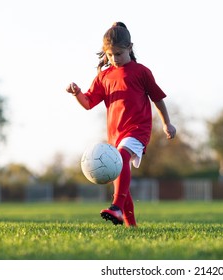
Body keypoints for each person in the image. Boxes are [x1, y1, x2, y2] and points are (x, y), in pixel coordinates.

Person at [66, 22, 176, 227]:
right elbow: (88, 103)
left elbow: (158, 99)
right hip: (115, 135)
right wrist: (77, 94)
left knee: (123, 157)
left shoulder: (141, 72)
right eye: (110, 55)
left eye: (118, 54)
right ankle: (130, 225)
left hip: (138, 130)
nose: (114, 59)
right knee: (120, 177)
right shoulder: (104, 76)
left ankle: (116, 207)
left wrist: (167, 123)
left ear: (130, 48)